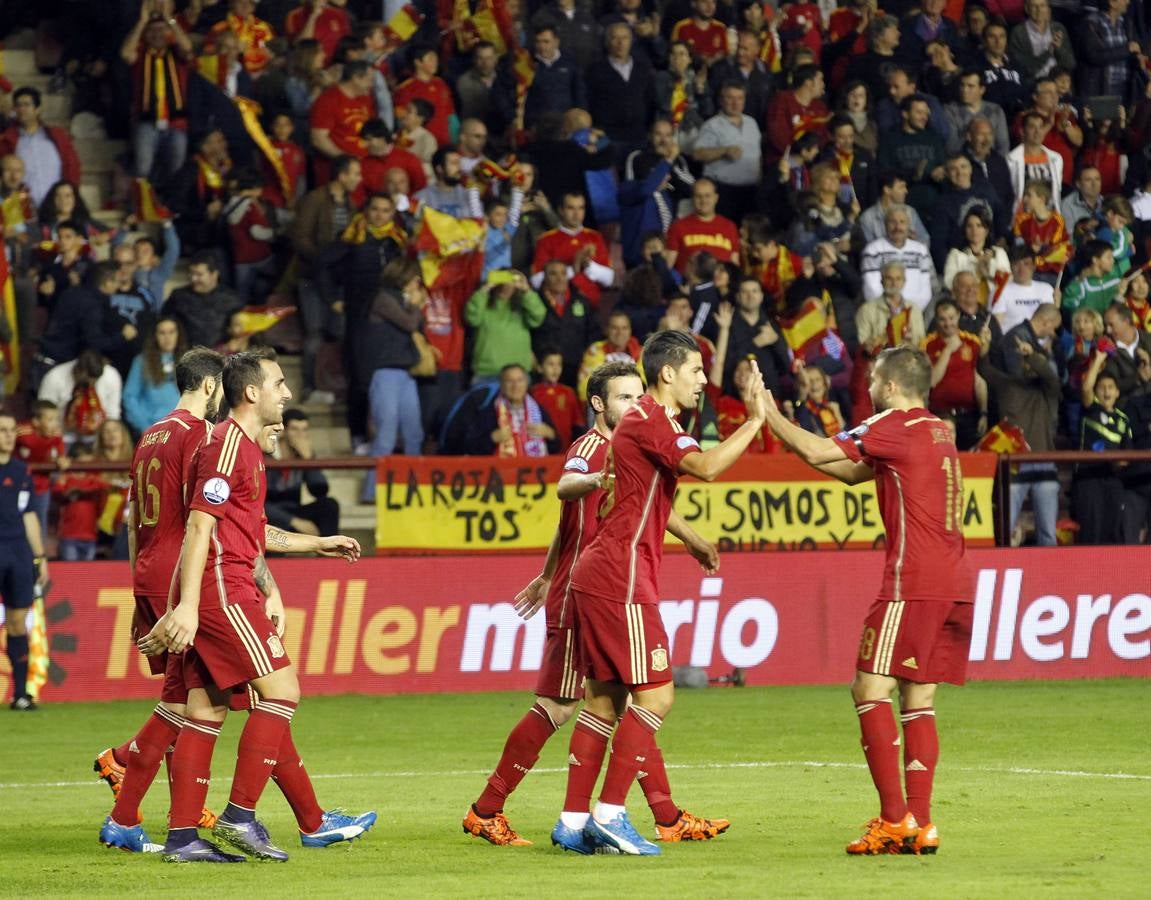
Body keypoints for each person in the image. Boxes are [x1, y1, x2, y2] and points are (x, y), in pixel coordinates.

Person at [464, 361, 727, 848]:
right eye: (623, 398)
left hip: (585, 584)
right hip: (584, 593)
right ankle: (489, 807)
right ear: (600, 404)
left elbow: (624, 514)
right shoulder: (592, 446)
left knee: (625, 700)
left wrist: (689, 538)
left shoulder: (632, 443)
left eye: (636, 396)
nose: (633, 405)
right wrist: (592, 487)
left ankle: (663, 815)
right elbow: (566, 488)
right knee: (565, 706)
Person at [553, 330, 771, 855]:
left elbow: (647, 498)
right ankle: (610, 814)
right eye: (696, 370)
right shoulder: (649, 418)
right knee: (657, 696)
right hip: (621, 578)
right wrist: (757, 421)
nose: (703, 380)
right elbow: (709, 468)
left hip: (603, 572)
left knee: (605, 701)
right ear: (668, 373)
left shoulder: (650, 424)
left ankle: (573, 820)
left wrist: (693, 540)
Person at [148, 348, 369, 862]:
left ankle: (182, 837)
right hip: (222, 588)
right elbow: (199, 527)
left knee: (206, 708)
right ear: (251, 392)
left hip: (222, 584)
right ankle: (240, 815)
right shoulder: (228, 445)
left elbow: (249, 531)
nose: (287, 393)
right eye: (279, 383)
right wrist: (185, 605)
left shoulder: (243, 450)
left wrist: (319, 542)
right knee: (282, 691)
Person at [759, 345, 972, 856]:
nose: (868, 385)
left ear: (892, 386)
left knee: (869, 689)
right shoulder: (940, 430)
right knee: (918, 699)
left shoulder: (891, 426)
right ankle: (920, 824)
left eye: (874, 378)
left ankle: (895, 820)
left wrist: (768, 414)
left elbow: (815, 452)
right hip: (955, 580)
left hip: (911, 582)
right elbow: (856, 472)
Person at [978, 305, 1062, 546]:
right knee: (1006, 530)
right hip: (1014, 465)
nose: (1029, 366)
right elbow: (984, 368)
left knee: (1047, 532)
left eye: (1034, 362)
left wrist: (1031, 355)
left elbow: (1050, 375)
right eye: (1025, 362)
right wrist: (983, 350)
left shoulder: (1048, 391)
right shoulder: (1007, 384)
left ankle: (1051, 579)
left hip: (1044, 463)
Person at [0, 411, 49, 711]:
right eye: (2, 430)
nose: (7, 435)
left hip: (18, 552)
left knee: (18, 621)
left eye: (10, 430)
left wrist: (39, 556)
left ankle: (21, 694)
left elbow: (30, 515)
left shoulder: (21, 471)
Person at [120, 7, 194, 182]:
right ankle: (141, 206)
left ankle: (173, 208)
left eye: (162, 29)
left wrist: (171, 20)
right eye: (152, 30)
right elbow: (125, 53)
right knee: (142, 169)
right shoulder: (141, 54)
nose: (157, 34)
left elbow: (188, 47)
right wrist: (142, 22)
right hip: (146, 123)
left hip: (177, 124)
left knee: (177, 172)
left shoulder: (176, 54)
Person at [1073, 350, 1132, 544]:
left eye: (1110, 387)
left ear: (1117, 392)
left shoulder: (1123, 420)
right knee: (1091, 531)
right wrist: (1098, 360)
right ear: (1097, 392)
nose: (1106, 391)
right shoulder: (1091, 409)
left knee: (1113, 529)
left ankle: (1112, 573)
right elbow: (1086, 388)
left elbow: (1127, 454)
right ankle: (1087, 572)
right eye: (1102, 387)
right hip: (1088, 478)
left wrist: (1119, 464)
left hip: (1112, 480)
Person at [922, 299, 988, 450]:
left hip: (968, 416)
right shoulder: (927, 345)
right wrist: (947, 351)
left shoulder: (972, 342)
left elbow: (978, 380)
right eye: (942, 319)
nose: (948, 323)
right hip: (939, 416)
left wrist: (984, 413)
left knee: (970, 462)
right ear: (936, 320)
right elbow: (932, 381)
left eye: (951, 318)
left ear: (958, 316)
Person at [0, 87, 82, 206]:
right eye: (18, 105)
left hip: (56, 206)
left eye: (27, 104)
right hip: (22, 207)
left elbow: (72, 167)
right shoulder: (7, 141)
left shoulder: (57, 137)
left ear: (38, 109)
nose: (22, 109)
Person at [692, 82, 762, 222]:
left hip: (750, 191)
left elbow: (758, 155)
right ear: (721, 100)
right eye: (730, 98)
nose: (735, 103)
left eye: (740, 98)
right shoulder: (712, 125)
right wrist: (724, 151)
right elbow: (697, 154)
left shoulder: (752, 123)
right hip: (724, 192)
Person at [265, 409, 339, 539]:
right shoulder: (266, 452)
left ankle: (329, 554)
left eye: (304, 430)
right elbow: (259, 503)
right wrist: (293, 521)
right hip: (269, 513)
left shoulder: (304, 454)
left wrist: (308, 459)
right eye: (295, 429)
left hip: (294, 509)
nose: (301, 435)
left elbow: (320, 491)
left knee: (329, 505)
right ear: (283, 431)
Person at [462, 363, 560, 458]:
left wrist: (550, 434)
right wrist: (492, 439)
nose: (515, 386)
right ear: (502, 385)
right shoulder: (490, 412)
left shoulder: (538, 410)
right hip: (501, 472)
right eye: (509, 381)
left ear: (526, 383)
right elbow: (471, 447)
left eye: (520, 380)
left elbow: (557, 447)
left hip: (535, 472)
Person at [161, 252, 244, 350]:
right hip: (186, 355)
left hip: (219, 355)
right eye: (191, 273)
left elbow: (241, 330)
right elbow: (164, 321)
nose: (193, 278)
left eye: (199, 274)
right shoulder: (178, 296)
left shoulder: (231, 299)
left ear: (214, 274)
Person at [123, 316, 186, 435]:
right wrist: (144, 426)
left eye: (172, 332)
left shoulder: (187, 360)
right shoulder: (142, 362)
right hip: (153, 429)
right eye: (162, 333)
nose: (167, 338)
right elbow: (130, 397)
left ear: (178, 334)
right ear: (154, 336)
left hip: (182, 430)